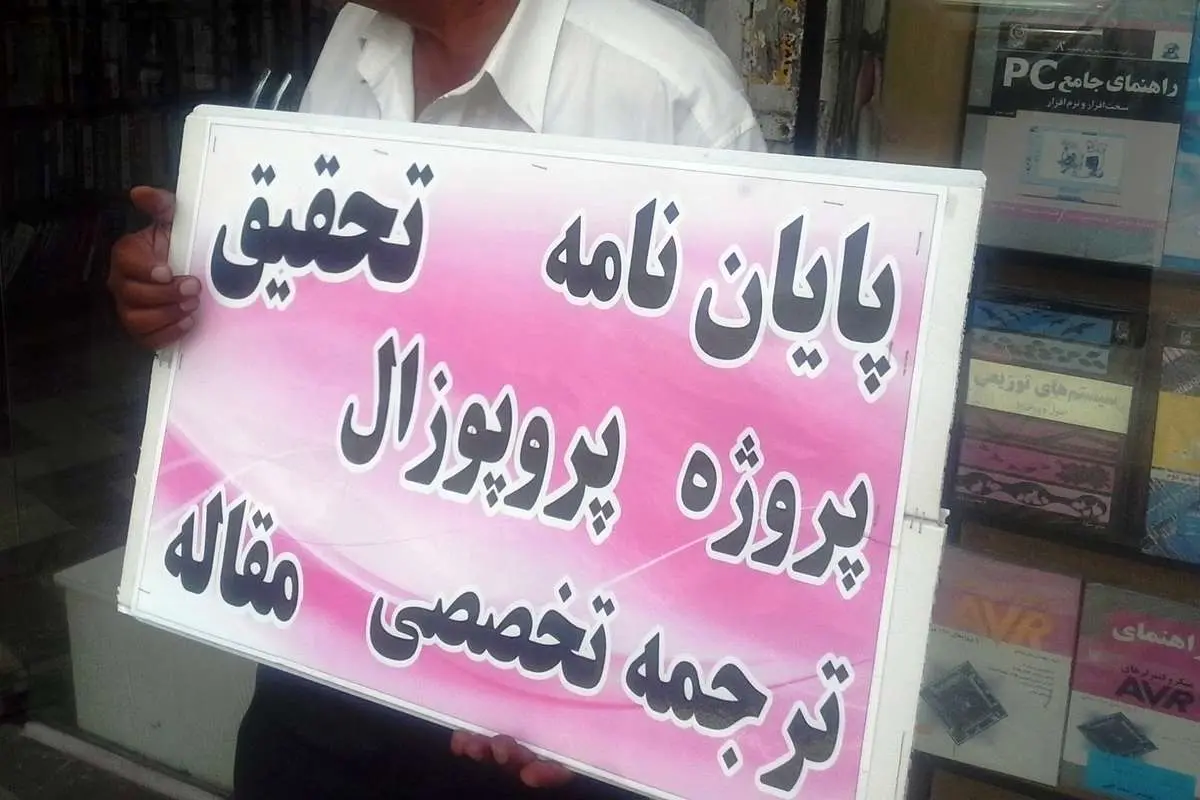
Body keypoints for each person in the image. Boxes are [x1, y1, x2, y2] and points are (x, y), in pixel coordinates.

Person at [108, 1, 766, 797]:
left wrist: (619, 704)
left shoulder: (663, 86)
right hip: (336, 646)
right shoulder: (356, 39)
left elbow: (744, 437)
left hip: (549, 685)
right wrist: (187, 281)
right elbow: (319, 307)